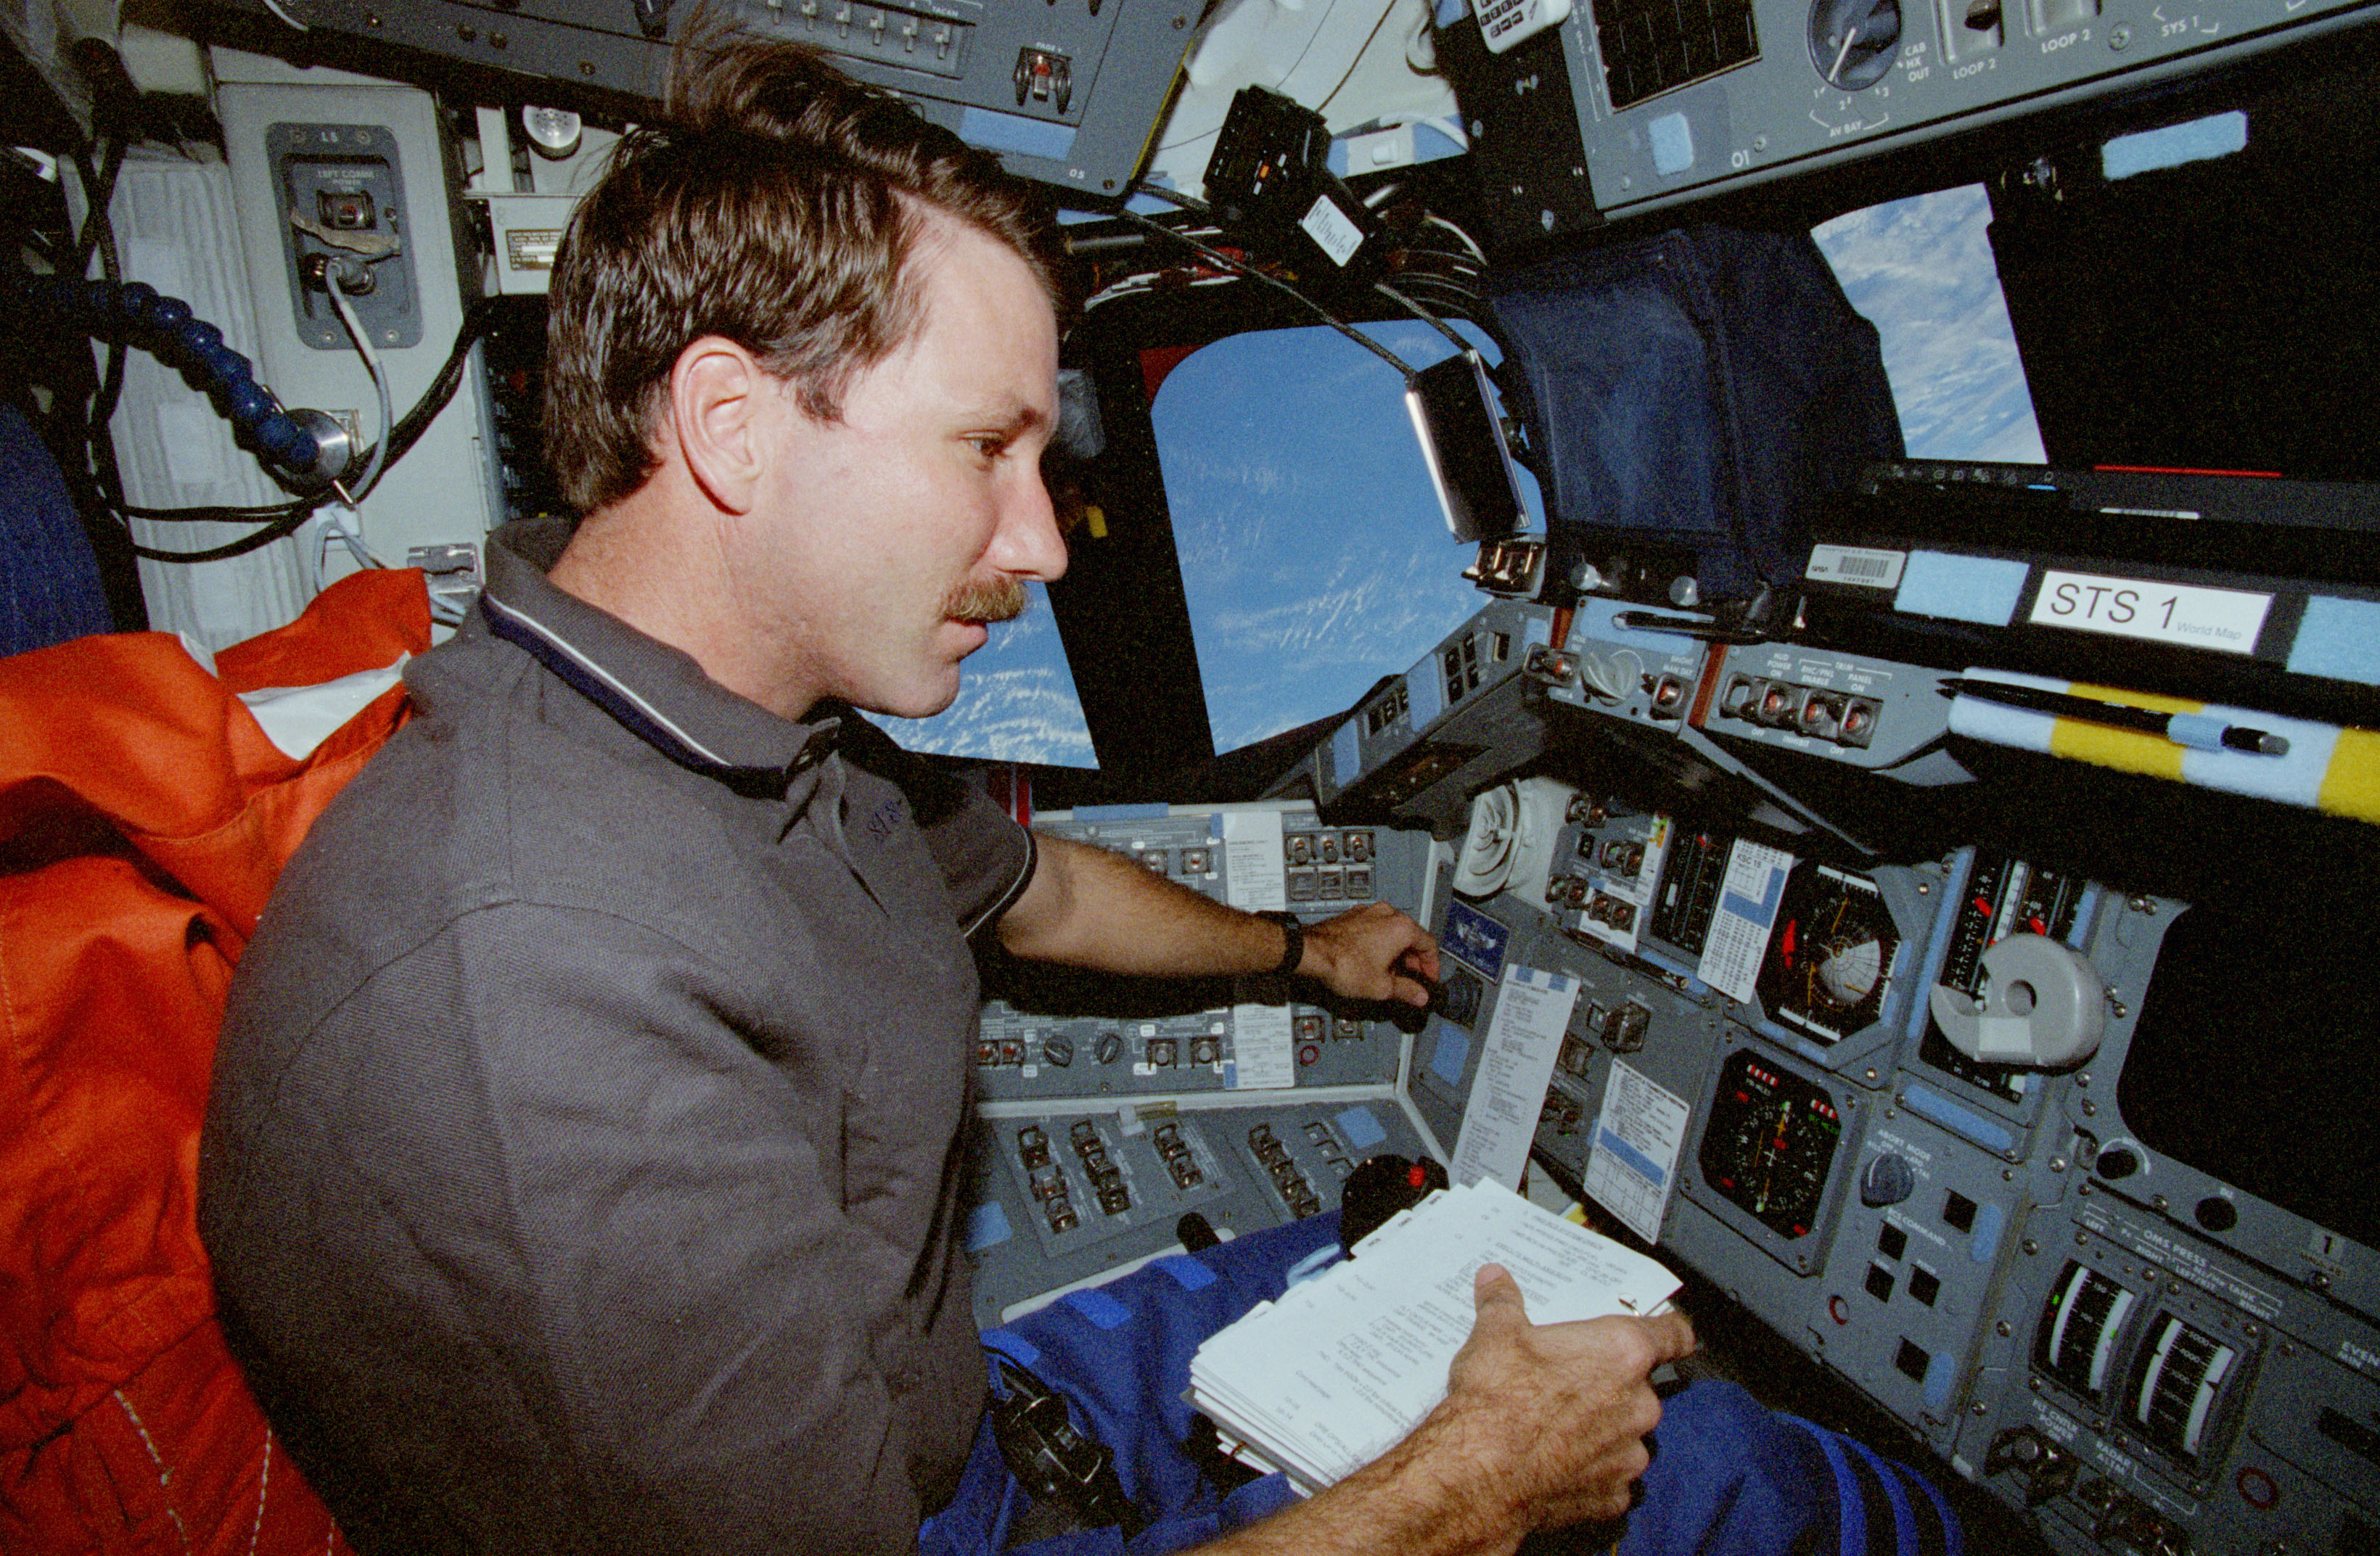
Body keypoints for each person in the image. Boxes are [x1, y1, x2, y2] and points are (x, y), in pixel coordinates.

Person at [200, 35, 1936, 1556]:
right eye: (984, 448)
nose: (1039, 540)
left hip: (976, 1418)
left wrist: (1297, 949)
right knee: (1696, 1469)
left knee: (1470, 1272)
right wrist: (1466, 1488)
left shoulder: (758, 738)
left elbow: (1035, 892)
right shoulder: (538, 1000)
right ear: (731, 427)